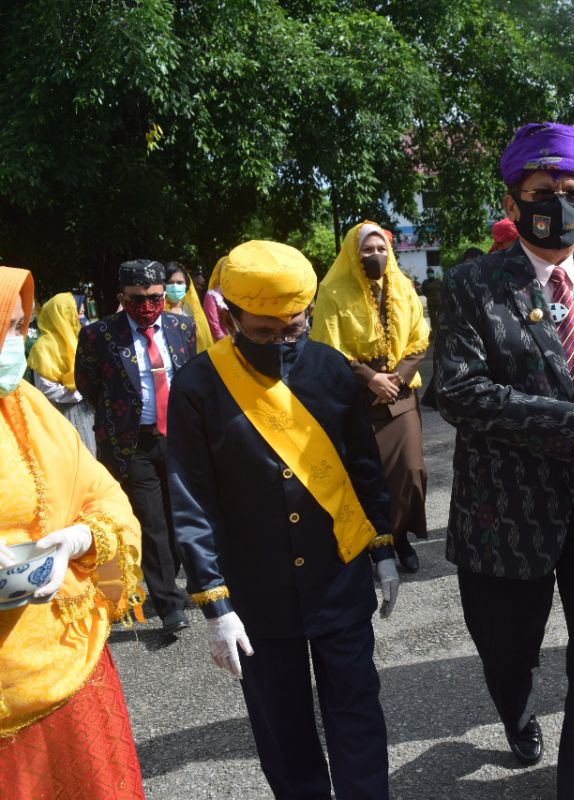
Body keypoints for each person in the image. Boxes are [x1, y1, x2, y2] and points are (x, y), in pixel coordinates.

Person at [436, 122, 574, 800]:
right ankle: (516, 711)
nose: (560, 202)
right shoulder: (472, 284)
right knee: (508, 653)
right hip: (503, 515)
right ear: (512, 203)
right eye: (543, 191)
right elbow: (460, 393)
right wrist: (573, 424)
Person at [168, 240, 399, 799]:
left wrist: (384, 547)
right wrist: (214, 603)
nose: (281, 343)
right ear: (229, 318)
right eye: (264, 333)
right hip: (257, 591)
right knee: (284, 728)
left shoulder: (328, 369)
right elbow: (190, 498)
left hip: (337, 577)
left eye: (293, 330)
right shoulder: (200, 385)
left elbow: (363, 466)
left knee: (357, 714)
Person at [0, 266, 146, 800]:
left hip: (71, 655)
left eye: (22, 328)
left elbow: (101, 494)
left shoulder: (29, 404)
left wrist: (83, 540)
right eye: (6, 329)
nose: (18, 344)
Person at [76, 259, 197, 633]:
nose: (147, 305)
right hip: (132, 443)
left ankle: (183, 580)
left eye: (155, 297)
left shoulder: (182, 327)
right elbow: (88, 384)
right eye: (138, 298)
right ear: (121, 298)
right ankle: (168, 603)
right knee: (152, 520)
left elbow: (189, 375)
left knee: (182, 515)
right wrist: (121, 416)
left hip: (178, 437)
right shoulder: (99, 334)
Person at [312, 222, 430, 573]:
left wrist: (397, 377)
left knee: (411, 471)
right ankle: (379, 542)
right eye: (367, 250)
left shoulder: (403, 288)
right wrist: (370, 379)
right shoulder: (332, 291)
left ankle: (400, 535)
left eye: (381, 249)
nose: (375, 256)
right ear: (353, 253)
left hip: (401, 393)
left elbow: (420, 335)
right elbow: (327, 346)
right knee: (368, 475)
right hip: (357, 398)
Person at [27, 291, 96, 454]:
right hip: (64, 413)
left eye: (83, 313)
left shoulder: (83, 340)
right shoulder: (43, 347)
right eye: (78, 314)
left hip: (89, 410)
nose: (82, 318)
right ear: (63, 316)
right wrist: (79, 394)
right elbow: (45, 388)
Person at [164, 261, 215, 351]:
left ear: (187, 286)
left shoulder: (193, 312)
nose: (175, 286)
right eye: (170, 282)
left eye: (180, 283)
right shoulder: (158, 312)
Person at [202, 257, 230, 342]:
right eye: (226, 270)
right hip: (222, 345)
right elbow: (213, 325)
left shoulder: (240, 295)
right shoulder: (212, 295)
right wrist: (231, 344)